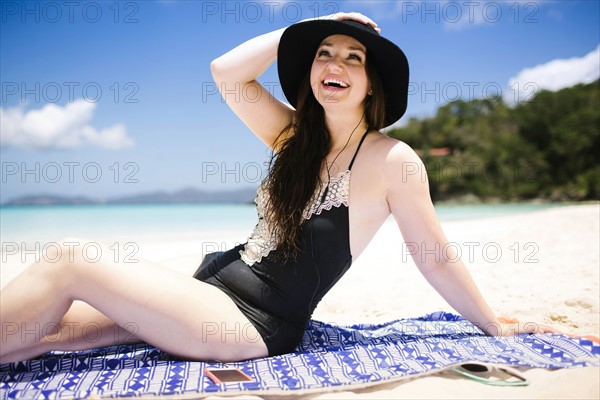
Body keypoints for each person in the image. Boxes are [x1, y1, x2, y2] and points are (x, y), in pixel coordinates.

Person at [0, 12, 555, 364]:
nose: (335, 64)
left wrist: (492, 322)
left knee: (69, 259)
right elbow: (225, 71)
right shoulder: (293, 136)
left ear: (371, 83)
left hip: (251, 325)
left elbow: (433, 257)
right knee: (42, 333)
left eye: (352, 57)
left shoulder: (395, 160)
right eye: (324, 53)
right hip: (208, 289)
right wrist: (315, 24)